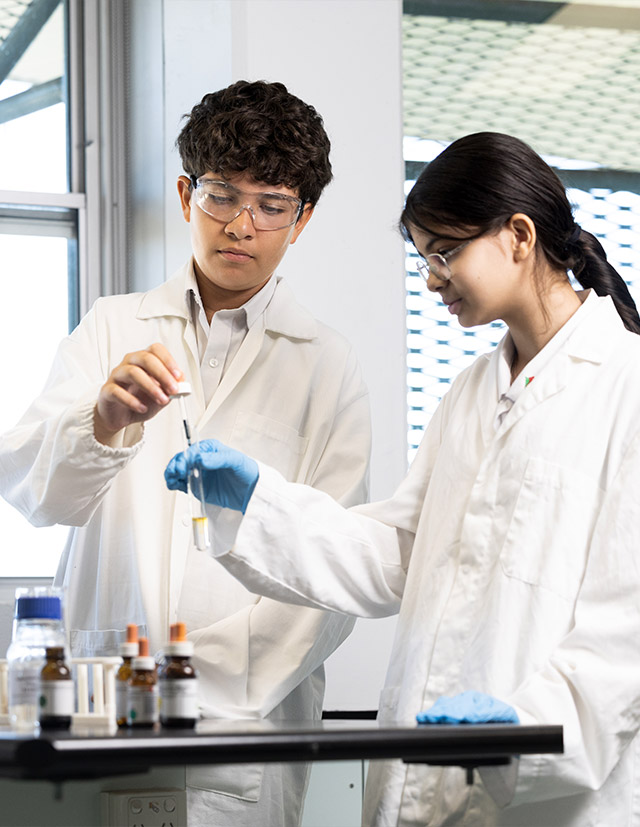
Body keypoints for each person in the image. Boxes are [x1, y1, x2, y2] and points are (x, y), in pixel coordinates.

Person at [165, 132, 640, 827]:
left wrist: (520, 729)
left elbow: (625, 631)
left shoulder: (625, 387)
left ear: (518, 235)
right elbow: (399, 552)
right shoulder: (474, 390)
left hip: (552, 797)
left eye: (444, 253)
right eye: (424, 259)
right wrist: (261, 501)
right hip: (425, 782)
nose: (432, 280)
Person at [0, 80, 371, 826]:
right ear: (183, 194)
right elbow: (37, 494)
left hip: (245, 741)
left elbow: (329, 583)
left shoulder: (329, 367)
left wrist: (186, 684)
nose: (241, 225)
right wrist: (100, 421)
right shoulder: (111, 328)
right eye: (221, 195)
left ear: (301, 220)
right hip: (100, 723)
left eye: (271, 204)